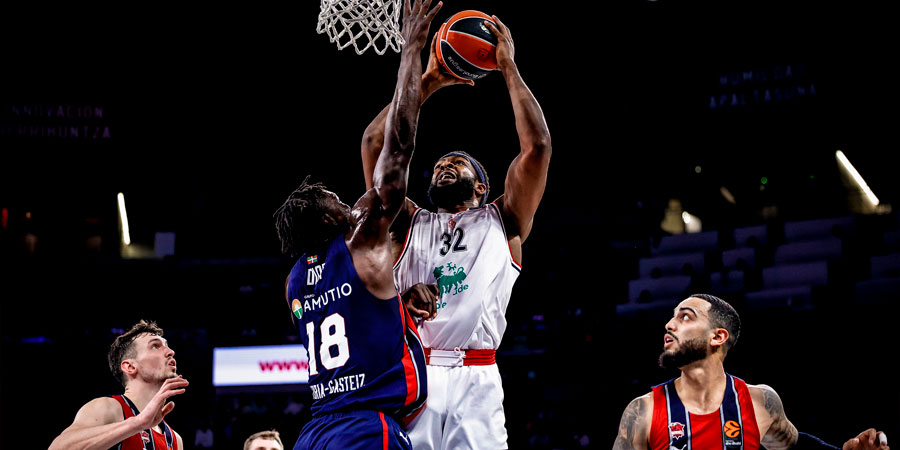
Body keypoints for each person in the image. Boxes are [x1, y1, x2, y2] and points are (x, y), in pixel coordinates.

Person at [359, 10, 552, 450]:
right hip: (412, 372)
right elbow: (375, 143)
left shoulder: (504, 220)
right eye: (440, 164)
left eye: (458, 163)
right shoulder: (406, 221)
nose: (444, 164)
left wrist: (507, 66)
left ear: (482, 187)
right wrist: (426, 82)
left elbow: (538, 146)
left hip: (477, 376)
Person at [273, 0, 439, 447]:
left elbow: (352, 315)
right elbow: (397, 145)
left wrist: (397, 303)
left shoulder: (293, 283)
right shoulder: (361, 240)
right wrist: (412, 51)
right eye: (339, 201)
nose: (351, 203)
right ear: (331, 219)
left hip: (316, 431)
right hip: (363, 428)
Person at [612, 294, 890, 450]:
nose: (669, 324)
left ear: (718, 336)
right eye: (672, 316)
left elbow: (796, 447)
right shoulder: (642, 412)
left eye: (685, 316)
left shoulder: (760, 402)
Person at [49, 320, 188, 450]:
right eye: (155, 346)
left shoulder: (175, 440)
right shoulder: (107, 407)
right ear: (130, 367)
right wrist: (138, 423)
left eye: (167, 346)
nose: (171, 352)